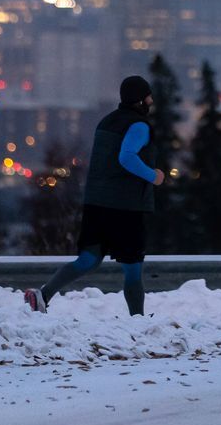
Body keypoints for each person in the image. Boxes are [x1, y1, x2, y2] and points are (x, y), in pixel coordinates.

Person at [23, 75, 165, 316]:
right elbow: (126, 157)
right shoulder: (138, 125)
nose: (151, 101)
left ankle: (43, 295)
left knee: (88, 259)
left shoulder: (106, 122)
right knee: (133, 267)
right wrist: (153, 176)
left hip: (96, 204)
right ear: (141, 99)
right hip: (126, 207)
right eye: (148, 96)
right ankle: (138, 321)